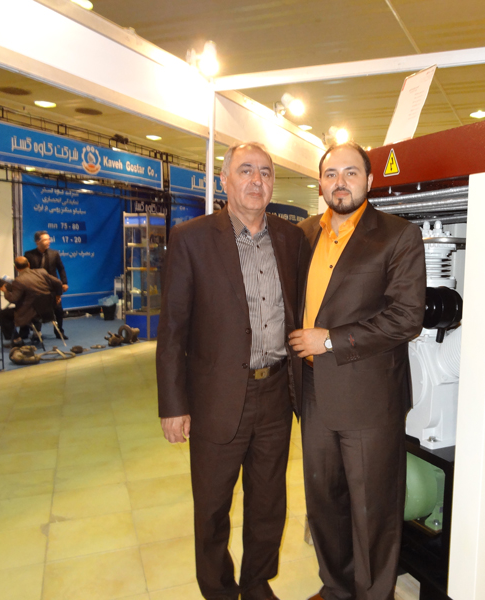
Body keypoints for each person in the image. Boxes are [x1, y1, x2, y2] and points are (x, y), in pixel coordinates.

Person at [157, 142, 307, 600]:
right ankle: (219, 590)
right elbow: (173, 329)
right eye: (245, 171)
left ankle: (257, 583)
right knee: (212, 507)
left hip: (275, 393)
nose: (256, 181)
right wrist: (173, 405)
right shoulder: (191, 239)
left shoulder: (291, 239)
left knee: (268, 502)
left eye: (265, 172)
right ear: (224, 180)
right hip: (216, 397)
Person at [288, 142, 426, 600]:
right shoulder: (303, 234)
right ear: (320, 182)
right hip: (312, 390)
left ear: (369, 180)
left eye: (351, 172)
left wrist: (328, 340)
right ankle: (337, 588)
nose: (340, 182)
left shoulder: (398, 236)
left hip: (369, 395)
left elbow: (405, 318)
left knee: (373, 509)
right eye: (331, 174)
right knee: (323, 501)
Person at [0, 256, 64, 345]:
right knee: (27, 305)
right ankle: (36, 333)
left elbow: (13, 299)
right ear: (28, 264)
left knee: (2, 314)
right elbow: (59, 282)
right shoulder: (42, 272)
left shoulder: (19, 280)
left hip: (31, 313)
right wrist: (58, 296)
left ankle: (17, 340)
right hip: (47, 311)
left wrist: (5, 291)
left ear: (16, 267)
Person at [24, 230, 68, 339]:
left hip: (52, 287)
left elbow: (61, 268)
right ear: (37, 242)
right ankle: (35, 332)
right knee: (35, 310)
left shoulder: (54, 254)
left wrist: (64, 282)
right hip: (36, 287)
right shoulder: (29, 255)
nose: (49, 241)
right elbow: (26, 271)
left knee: (58, 310)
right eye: (45, 240)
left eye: (49, 239)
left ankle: (59, 332)